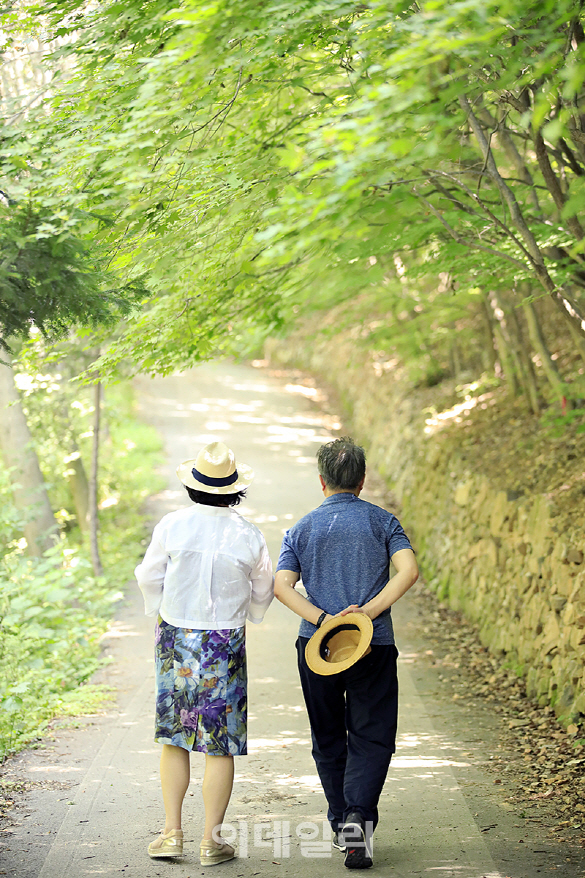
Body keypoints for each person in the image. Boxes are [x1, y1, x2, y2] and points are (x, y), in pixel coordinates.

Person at [274, 437, 418, 870]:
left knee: (328, 735)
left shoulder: (300, 529)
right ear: (362, 479)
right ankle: (358, 816)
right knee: (372, 735)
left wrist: (322, 620)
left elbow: (282, 585)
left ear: (321, 481)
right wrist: (368, 614)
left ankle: (342, 822)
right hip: (371, 644)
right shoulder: (382, 522)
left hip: (318, 648)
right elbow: (408, 571)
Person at [135, 441, 274, 866]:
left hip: (176, 637)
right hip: (225, 642)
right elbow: (264, 590)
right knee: (221, 743)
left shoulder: (173, 525)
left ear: (193, 486)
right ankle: (211, 841)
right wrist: (245, 610)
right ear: (234, 489)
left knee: (176, 737)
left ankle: (172, 833)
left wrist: (160, 607)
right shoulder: (248, 534)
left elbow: (148, 575)